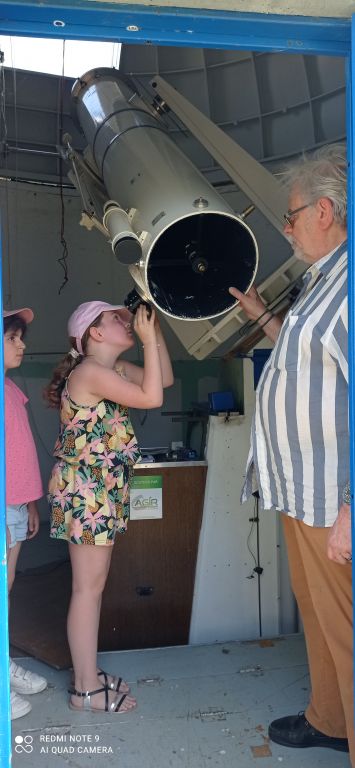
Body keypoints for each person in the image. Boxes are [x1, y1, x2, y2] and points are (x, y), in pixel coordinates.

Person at [229, 144, 354, 763]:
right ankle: (330, 719)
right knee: (320, 615)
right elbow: (312, 363)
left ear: (326, 211)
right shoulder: (321, 281)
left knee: (347, 630)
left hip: (334, 498)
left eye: (292, 214)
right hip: (301, 490)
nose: (286, 226)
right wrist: (263, 318)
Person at [44, 300, 173, 713]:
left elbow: (163, 379)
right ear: (95, 334)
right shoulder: (89, 373)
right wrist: (149, 337)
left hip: (99, 490)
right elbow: (152, 398)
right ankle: (84, 689)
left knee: (92, 589)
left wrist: (157, 330)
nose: (125, 321)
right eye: (115, 319)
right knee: (87, 589)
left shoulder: (109, 371)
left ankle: (88, 671)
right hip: (87, 492)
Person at [4, 307, 47, 720]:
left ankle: (3, 665)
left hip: (16, 504)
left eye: (20, 336)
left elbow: (19, 452)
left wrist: (31, 501)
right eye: (12, 337)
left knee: (7, 589)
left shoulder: (11, 388)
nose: (22, 344)